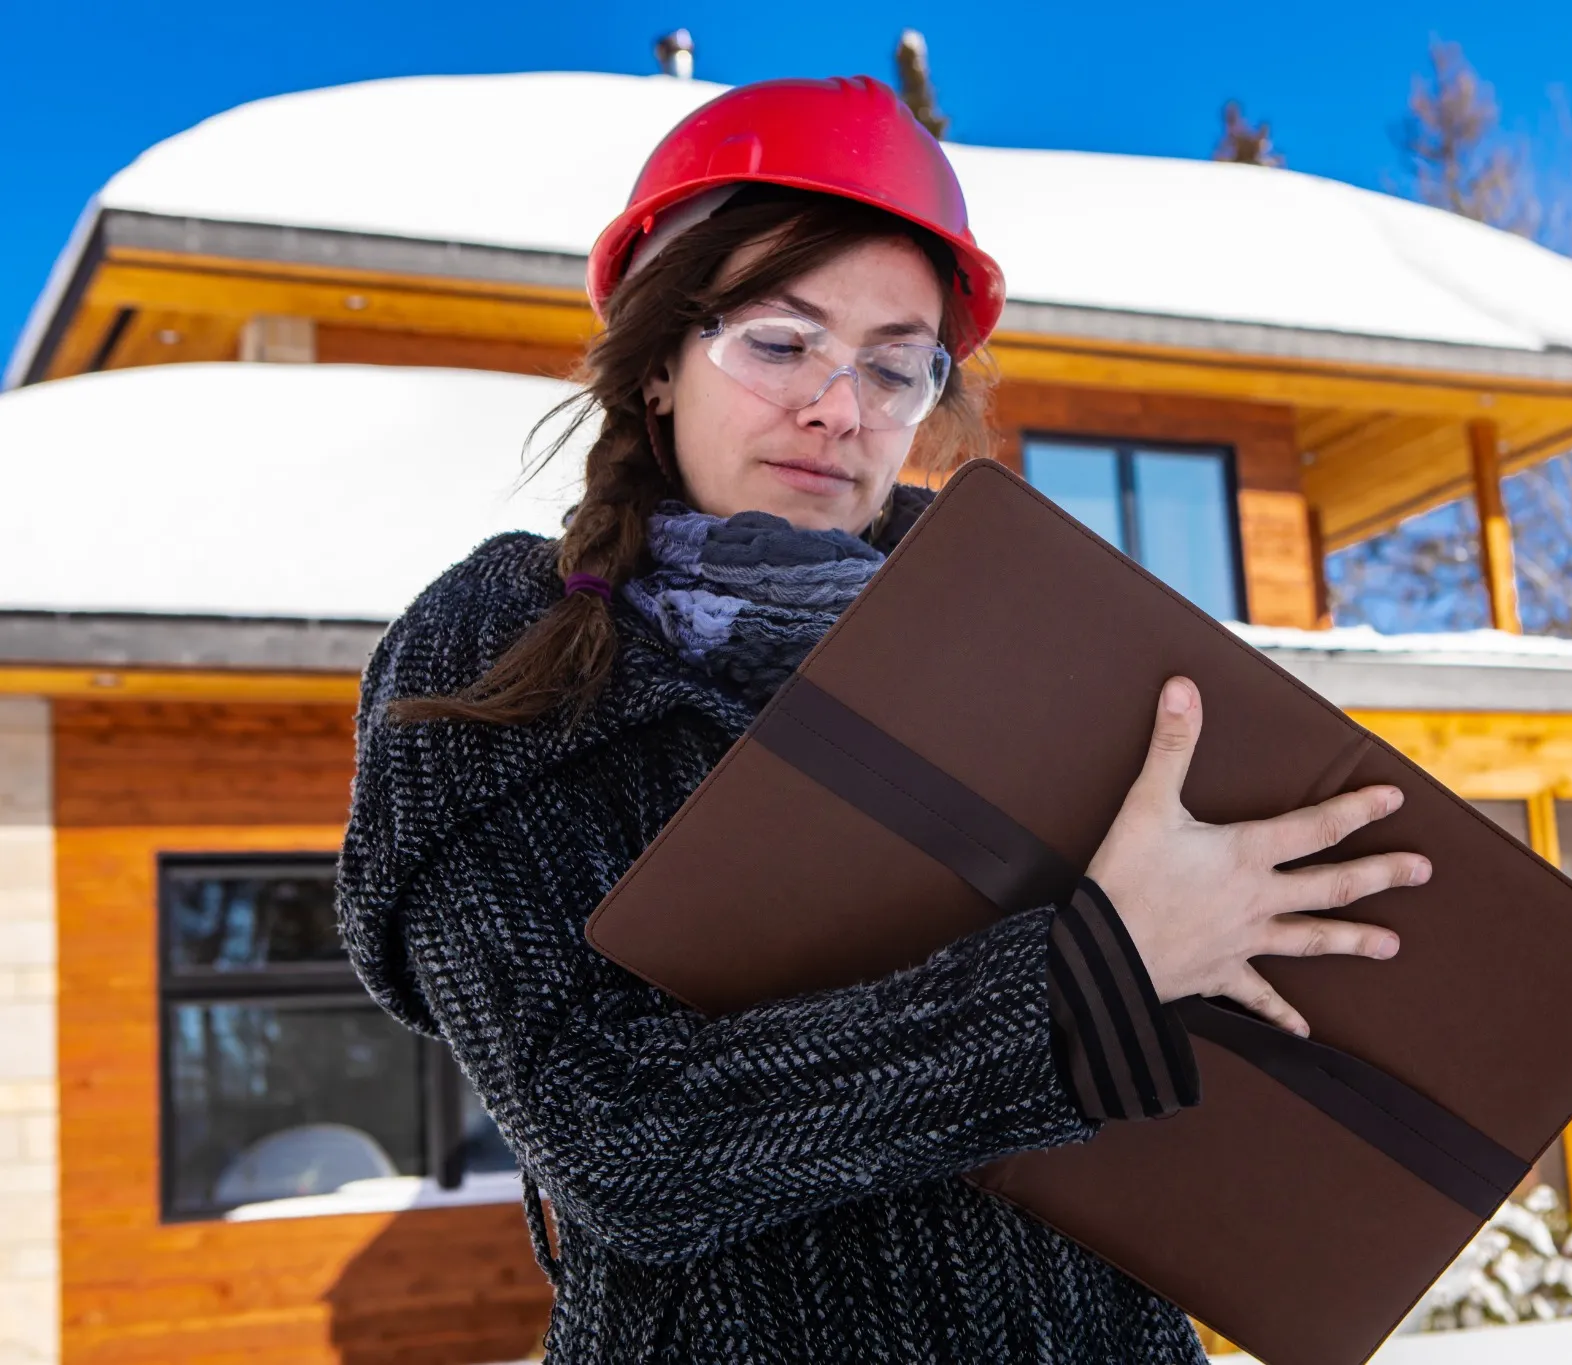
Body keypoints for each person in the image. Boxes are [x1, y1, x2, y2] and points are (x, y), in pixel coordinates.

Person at [336, 74, 1431, 1364]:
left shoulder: (1031, 634)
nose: (840, 408)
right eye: (780, 341)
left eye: (894, 366)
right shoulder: (507, 640)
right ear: (657, 371)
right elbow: (617, 1137)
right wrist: (1090, 978)